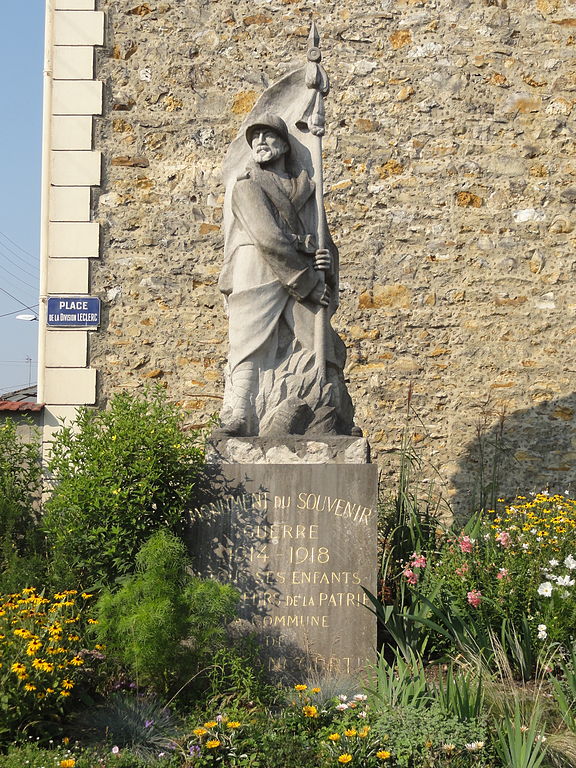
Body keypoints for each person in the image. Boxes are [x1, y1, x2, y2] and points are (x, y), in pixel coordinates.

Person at [218, 112, 354, 436]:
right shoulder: (247, 187)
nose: (261, 143)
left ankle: (334, 414)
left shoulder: (306, 189)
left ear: (284, 145)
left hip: (301, 273)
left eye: (268, 137)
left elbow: (325, 241)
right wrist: (306, 282)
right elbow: (268, 237)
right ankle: (241, 413)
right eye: (255, 139)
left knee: (320, 341)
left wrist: (325, 262)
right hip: (257, 268)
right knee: (249, 341)